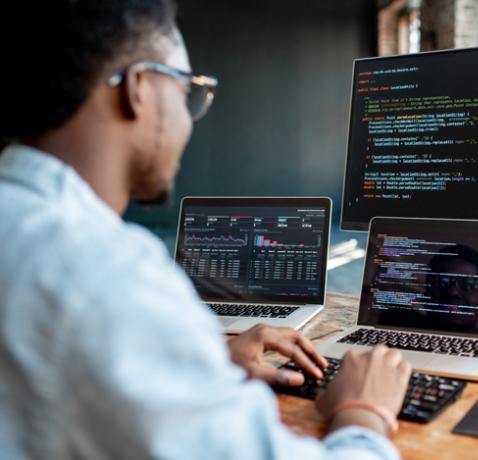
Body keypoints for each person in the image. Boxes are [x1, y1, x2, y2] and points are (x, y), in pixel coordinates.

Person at [0, 1, 411, 459]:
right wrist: (364, 412)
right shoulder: (106, 273)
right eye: (187, 91)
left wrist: (201, 367)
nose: (188, 119)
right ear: (138, 88)